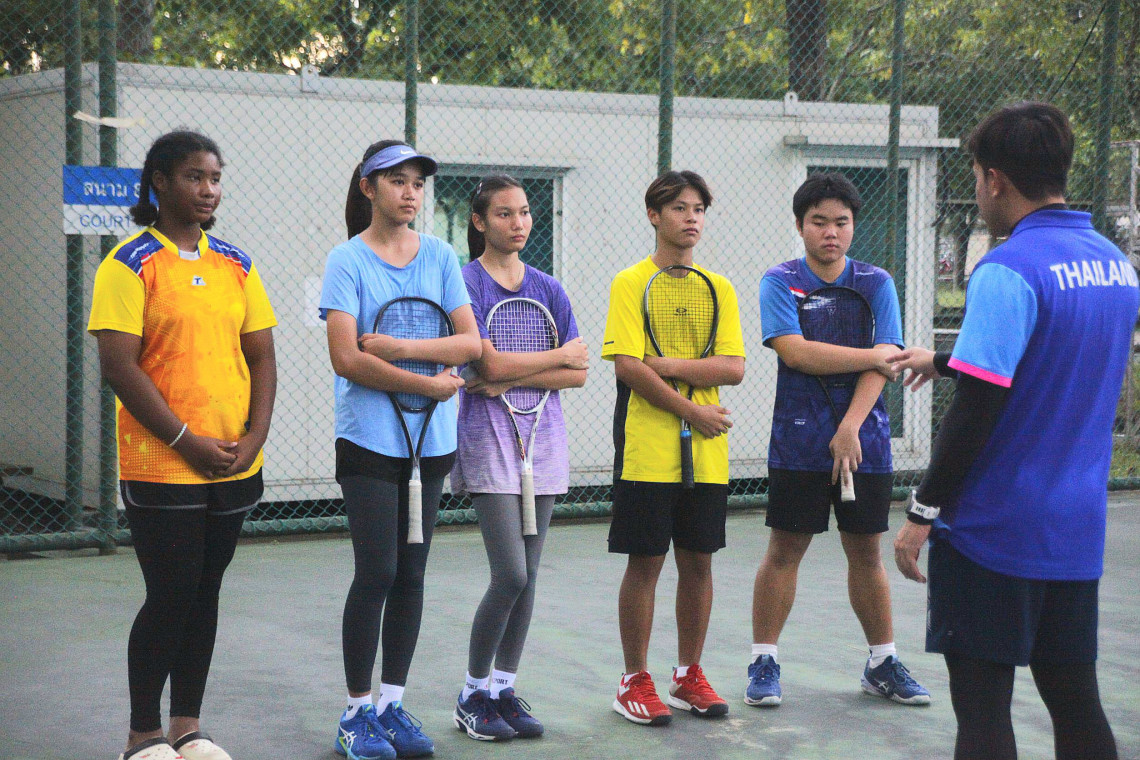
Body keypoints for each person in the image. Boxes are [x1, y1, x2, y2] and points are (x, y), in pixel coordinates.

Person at [891, 102, 1132, 760]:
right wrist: (947, 359)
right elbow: (1053, 356)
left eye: (976, 176)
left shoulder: (1008, 268)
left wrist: (922, 511)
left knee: (982, 711)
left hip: (993, 530)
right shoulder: (1114, 265)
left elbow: (978, 408)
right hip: (1075, 528)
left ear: (995, 179)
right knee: (1076, 702)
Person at [89, 131, 278, 760]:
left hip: (232, 463)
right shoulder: (127, 264)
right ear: (160, 182)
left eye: (215, 178)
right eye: (195, 177)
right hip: (161, 464)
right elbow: (119, 367)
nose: (208, 190)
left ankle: (186, 729)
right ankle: (142, 736)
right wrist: (184, 440)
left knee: (205, 593)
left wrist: (254, 437)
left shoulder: (238, 264)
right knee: (171, 594)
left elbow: (263, 356)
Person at [320, 140, 482, 760]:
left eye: (417, 182)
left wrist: (396, 350)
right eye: (397, 181)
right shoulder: (346, 260)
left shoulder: (439, 255)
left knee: (412, 572)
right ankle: (356, 712)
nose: (410, 192)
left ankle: (391, 704)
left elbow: (470, 344)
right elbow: (345, 358)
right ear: (368, 188)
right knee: (377, 571)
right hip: (368, 441)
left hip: (430, 444)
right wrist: (425, 383)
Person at [747, 172, 929, 708]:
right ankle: (763, 662)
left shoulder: (877, 283)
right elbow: (796, 351)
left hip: (865, 440)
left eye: (841, 222)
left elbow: (886, 363)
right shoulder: (780, 281)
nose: (831, 232)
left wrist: (850, 427)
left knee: (866, 553)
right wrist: (873, 355)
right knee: (784, 550)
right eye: (819, 222)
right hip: (797, 440)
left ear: (853, 226)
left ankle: (882, 663)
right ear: (800, 225)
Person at [603, 170, 746, 726]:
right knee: (646, 562)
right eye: (680, 208)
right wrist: (690, 409)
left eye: (699, 209)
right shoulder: (630, 282)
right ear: (654, 215)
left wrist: (667, 365)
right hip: (647, 448)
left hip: (707, 451)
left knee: (699, 562)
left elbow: (732, 367)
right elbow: (628, 366)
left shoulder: (720, 287)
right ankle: (633, 680)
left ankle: (688, 676)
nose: (692, 218)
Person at [450, 175, 588, 741]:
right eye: (505, 213)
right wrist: (548, 359)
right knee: (509, 573)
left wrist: (510, 375)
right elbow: (486, 365)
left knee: (528, 578)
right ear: (479, 221)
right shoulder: (465, 284)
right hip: (487, 441)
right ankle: (471, 693)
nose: (519, 223)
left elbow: (578, 373)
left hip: (544, 442)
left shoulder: (549, 288)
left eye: (525, 212)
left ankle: (503, 688)